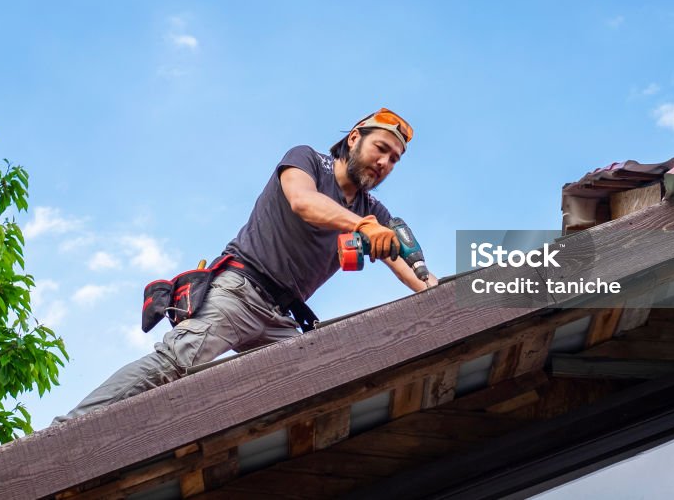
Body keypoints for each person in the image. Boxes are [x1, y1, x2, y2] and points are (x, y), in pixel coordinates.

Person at [53, 108, 438, 423]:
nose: (385, 162)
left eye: (394, 159)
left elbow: (410, 266)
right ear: (355, 138)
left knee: (317, 386)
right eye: (381, 148)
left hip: (281, 317)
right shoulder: (308, 161)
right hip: (239, 291)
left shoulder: (373, 211)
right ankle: (68, 429)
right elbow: (303, 202)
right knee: (176, 363)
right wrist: (361, 226)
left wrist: (439, 291)